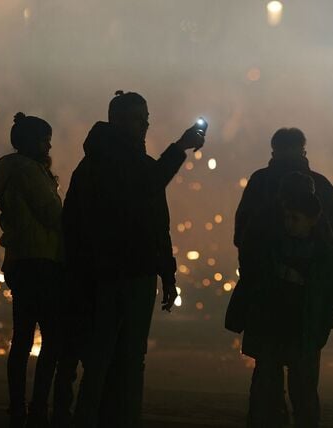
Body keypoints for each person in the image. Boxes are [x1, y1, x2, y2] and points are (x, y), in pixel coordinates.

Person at [63, 91, 204, 428]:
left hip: (128, 276)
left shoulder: (106, 163)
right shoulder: (106, 164)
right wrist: (180, 147)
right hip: (111, 277)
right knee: (109, 362)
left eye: (146, 117)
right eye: (139, 118)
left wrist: (166, 273)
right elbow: (148, 188)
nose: (146, 124)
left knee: (116, 362)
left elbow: (158, 222)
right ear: (119, 121)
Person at [233, 172, 333, 428]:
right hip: (287, 327)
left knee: (276, 390)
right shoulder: (322, 246)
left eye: (294, 218)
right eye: (288, 217)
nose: (289, 223)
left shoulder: (266, 226)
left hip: (289, 327)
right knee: (296, 391)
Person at [0, 112, 64, 428]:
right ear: (32, 142)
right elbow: (53, 214)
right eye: (45, 140)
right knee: (52, 338)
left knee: (23, 337)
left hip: (20, 261)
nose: (49, 145)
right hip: (40, 261)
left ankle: (17, 406)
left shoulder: (13, 169)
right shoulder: (28, 172)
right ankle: (37, 405)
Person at [234, 127, 333, 255]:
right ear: (303, 152)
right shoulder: (321, 184)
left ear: (274, 153)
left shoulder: (259, 182)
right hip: (313, 272)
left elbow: (241, 233)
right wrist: (321, 261)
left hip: (264, 272)